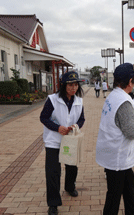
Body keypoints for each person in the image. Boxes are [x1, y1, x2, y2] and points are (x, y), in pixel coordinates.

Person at [96, 63, 134, 215]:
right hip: (118, 156)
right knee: (114, 195)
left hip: (114, 153)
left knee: (128, 188)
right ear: (130, 81)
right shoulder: (124, 101)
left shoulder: (113, 95)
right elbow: (132, 131)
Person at [40, 71, 85, 215]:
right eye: (70, 85)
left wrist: (75, 126)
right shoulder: (53, 99)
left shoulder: (79, 101)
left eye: (76, 84)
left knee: (72, 167)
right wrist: (57, 128)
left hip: (70, 140)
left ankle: (70, 187)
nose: (73, 88)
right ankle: (53, 203)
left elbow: (81, 119)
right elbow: (44, 118)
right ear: (63, 85)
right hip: (53, 141)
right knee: (53, 172)